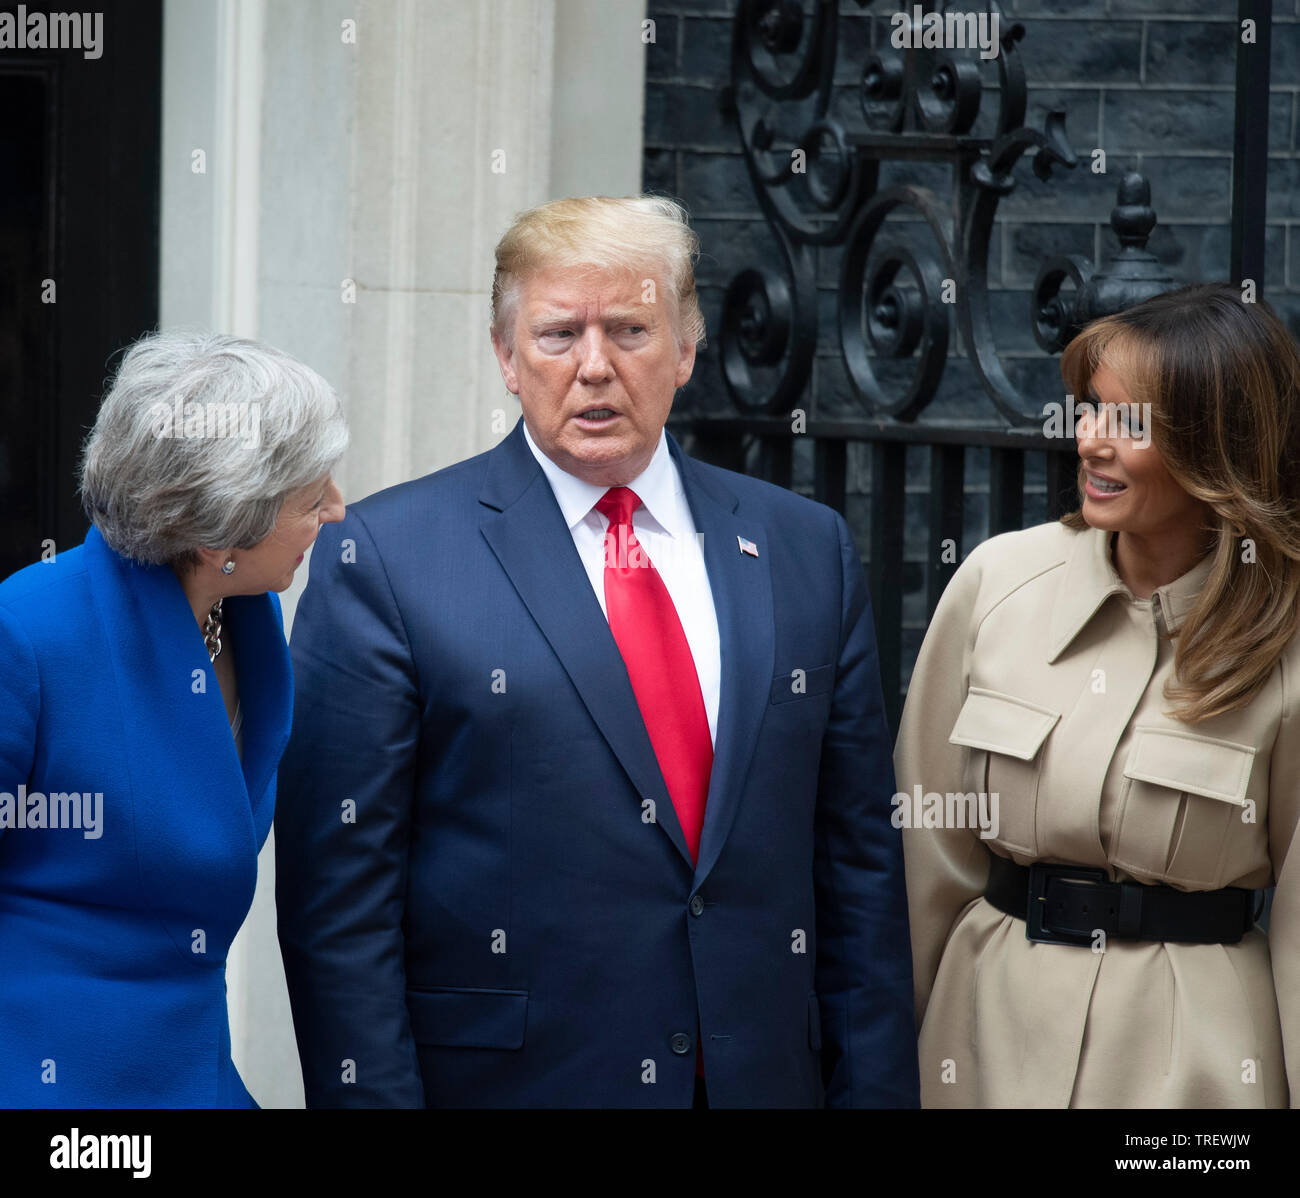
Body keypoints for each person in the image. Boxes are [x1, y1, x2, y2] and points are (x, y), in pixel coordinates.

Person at [275, 194, 918, 1109]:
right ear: (505, 356)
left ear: (688, 348)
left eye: (630, 329)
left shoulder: (804, 549)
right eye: (556, 334)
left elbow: (859, 873)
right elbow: (337, 906)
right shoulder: (388, 557)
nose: (595, 368)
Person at [897, 281, 1300, 1108]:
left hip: (1197, 1073)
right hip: (979, 1041)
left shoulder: (1285, 637)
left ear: (1215, 445)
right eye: (1088, 411)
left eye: (1128, 421)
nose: (1088, 442)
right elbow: (926, 860)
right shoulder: (996, 584)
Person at [0, 330, 347, 1107]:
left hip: (190, 1071)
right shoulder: (27, 632)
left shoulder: (245, 623)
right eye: (308, 494)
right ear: (221, 525)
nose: (336, 507)